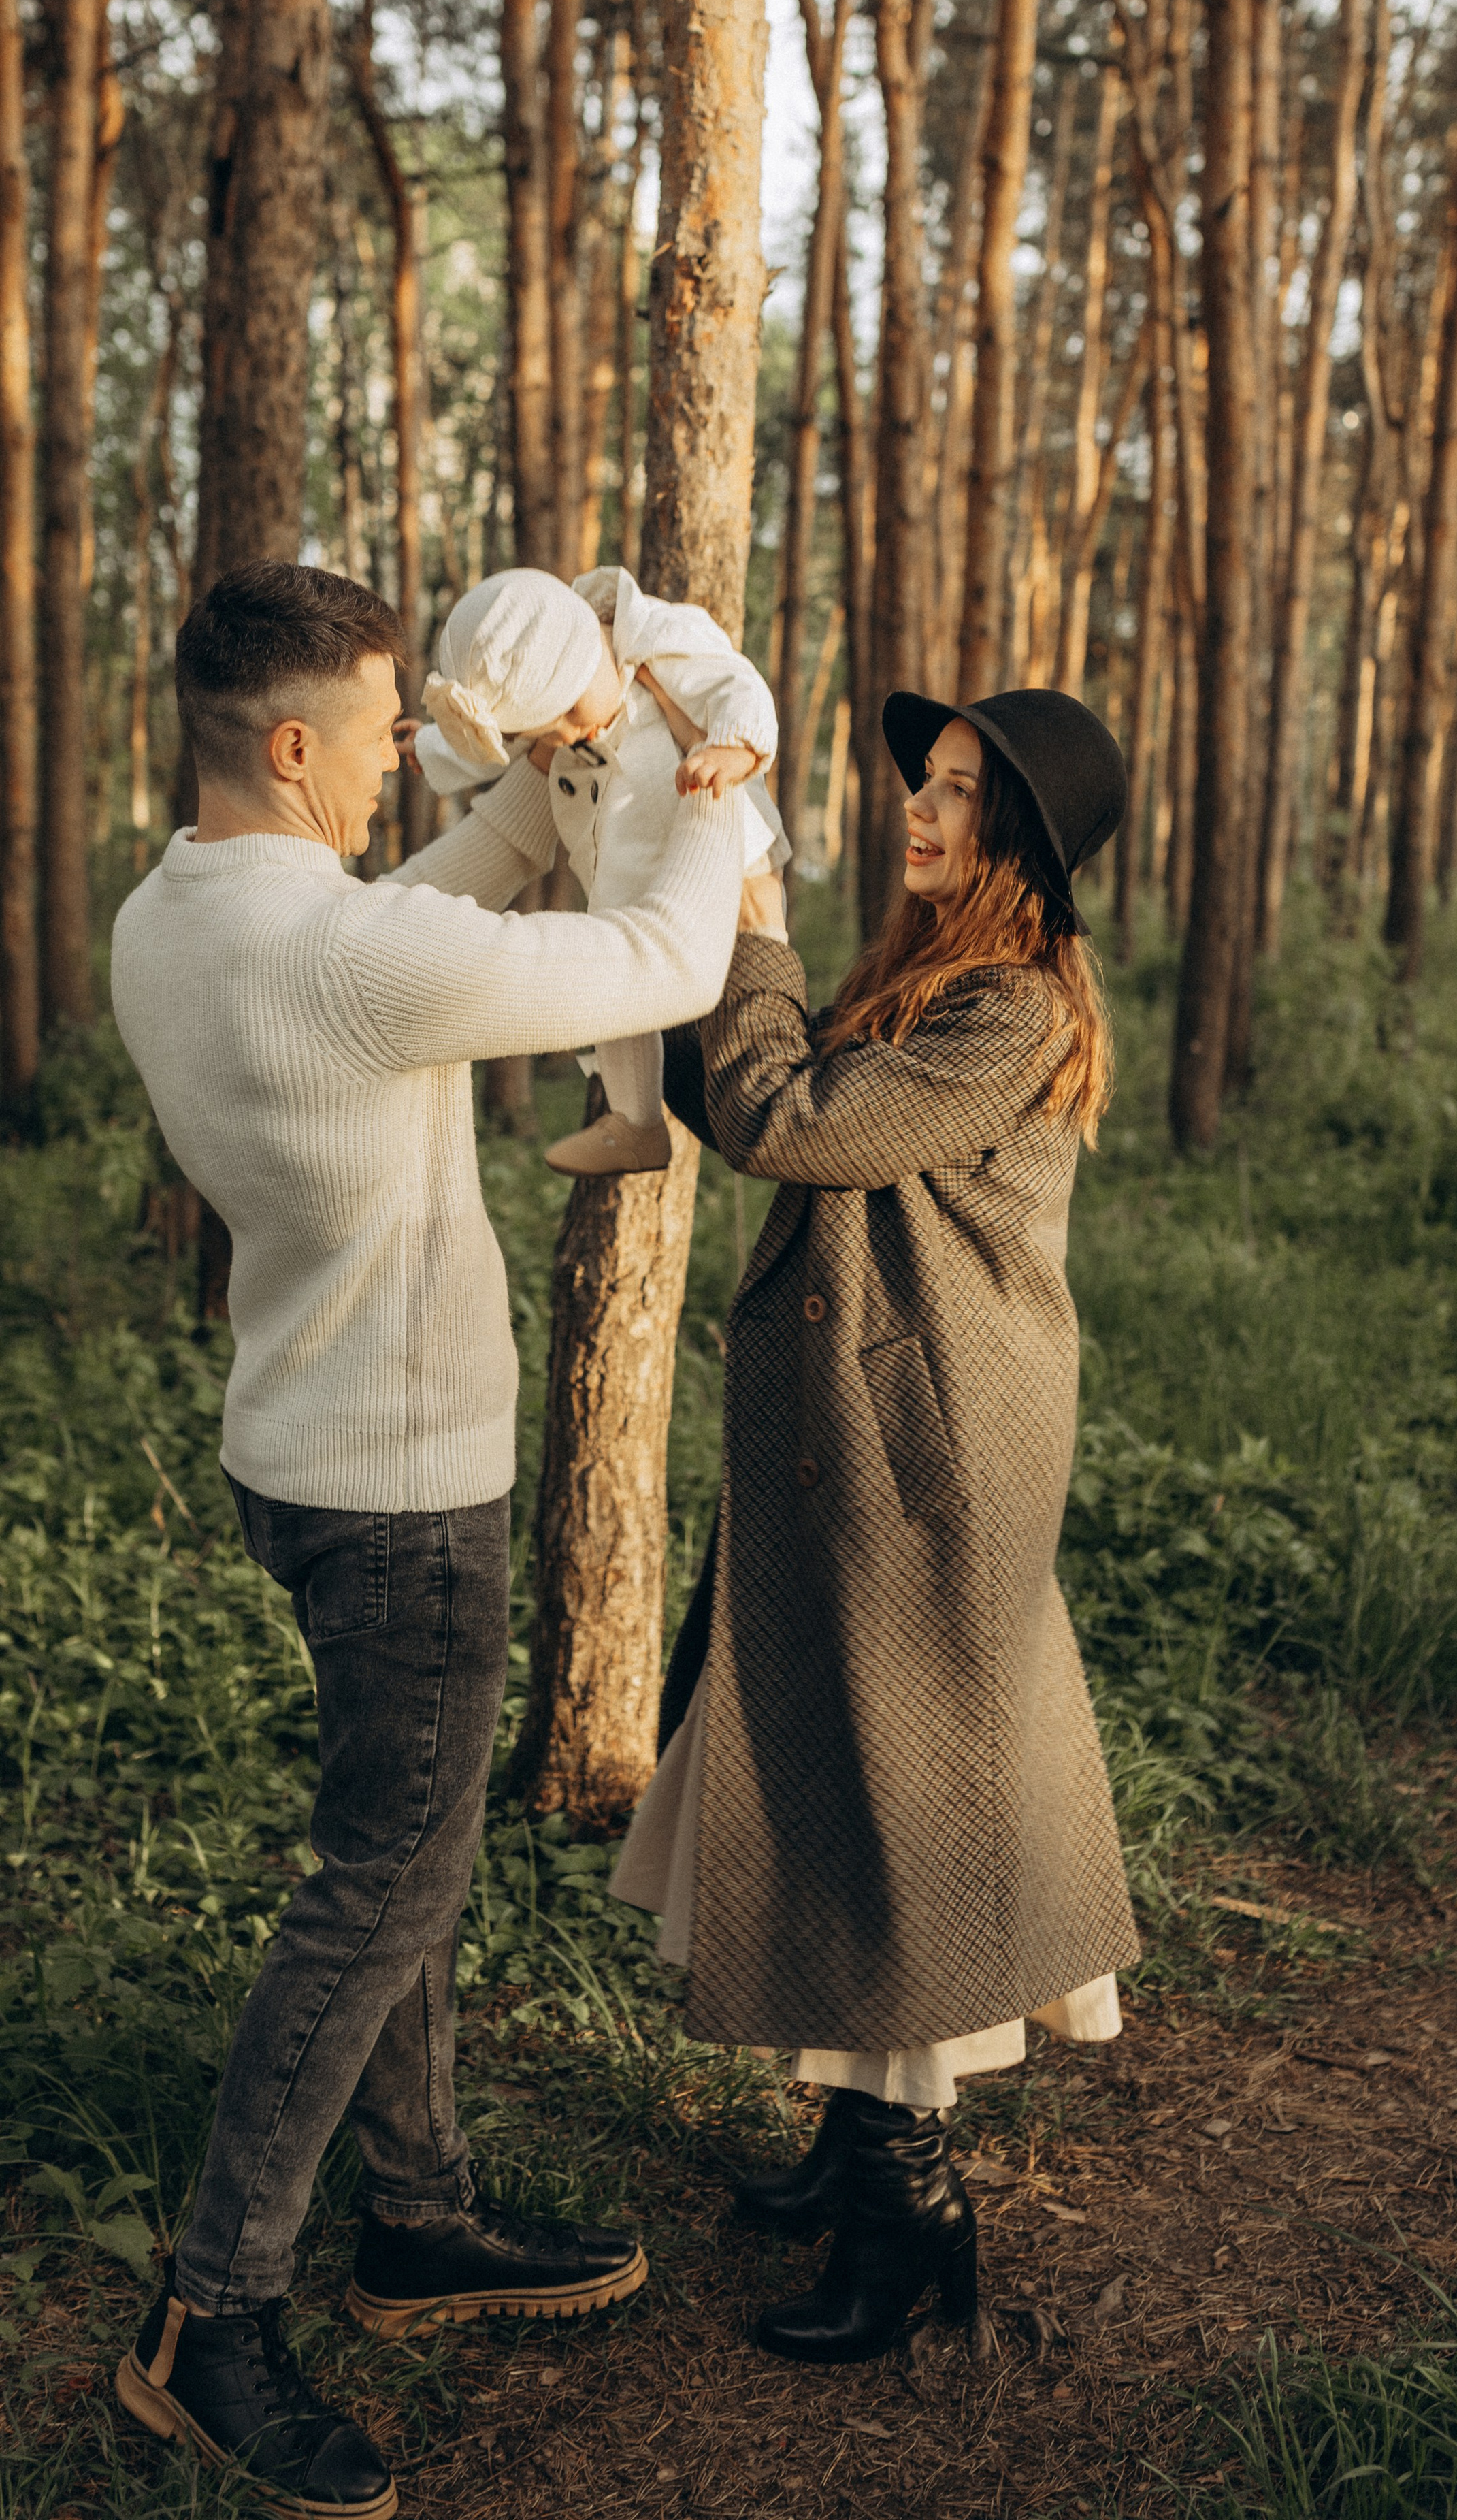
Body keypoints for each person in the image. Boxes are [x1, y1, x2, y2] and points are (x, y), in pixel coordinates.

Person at [107, 562, 747, 2518]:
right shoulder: (344, 962)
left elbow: (400, 924)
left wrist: (517, 806)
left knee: (416, 1852)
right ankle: (216, 2318)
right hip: (404, 1499)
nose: (407, 752)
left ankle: (418, 2219)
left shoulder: (173, 914)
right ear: (292, 746)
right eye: (384, 729)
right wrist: (713, 777)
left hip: (299, 1455)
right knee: (376, 1887)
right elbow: (667, 967)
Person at [611, 685, 1142, 2366]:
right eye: (924, 777)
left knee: (903, 1808)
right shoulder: (922, 977)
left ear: (1025, 848)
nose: (921, 806)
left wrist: (750, 921)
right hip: (856, 1447)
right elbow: (741, 1102)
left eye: (964, 793)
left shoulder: (1015, 1008)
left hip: (926, 1464)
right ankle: (852, 2146)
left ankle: (908, 2220)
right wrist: (684, 920)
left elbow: (800, 1125)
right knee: (835, 1777)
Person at [414, 563, 788, 1178]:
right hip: (628, 858)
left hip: (726, 852)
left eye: (566, 713)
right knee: (615, 972)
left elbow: (736, 687)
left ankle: (780, 1077)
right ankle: (634, 1121)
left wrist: (733, 746)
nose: (567, 736)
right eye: (548, 732)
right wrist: (430, 747)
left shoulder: (660, 641)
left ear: (586, 649)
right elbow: (500, 742)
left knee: (757, 964)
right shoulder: (568, 700)